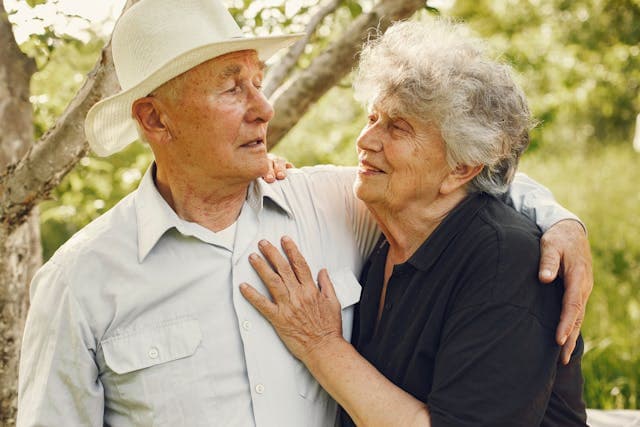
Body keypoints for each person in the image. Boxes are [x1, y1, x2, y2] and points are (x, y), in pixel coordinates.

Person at [17, 1, 590, 425]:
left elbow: (464, 181)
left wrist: (561, 221)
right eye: (231, 89)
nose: (263, 109)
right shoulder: (79, 282)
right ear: (155, 120)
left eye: (258, 84)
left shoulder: (336, 204)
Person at [240, 19, 588, 426]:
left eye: (397, 127)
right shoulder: (390, 235)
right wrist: (262, 174)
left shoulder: (507, 263)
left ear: (460, 168)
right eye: (372, 117)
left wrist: (320, 344)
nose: (366, 140)